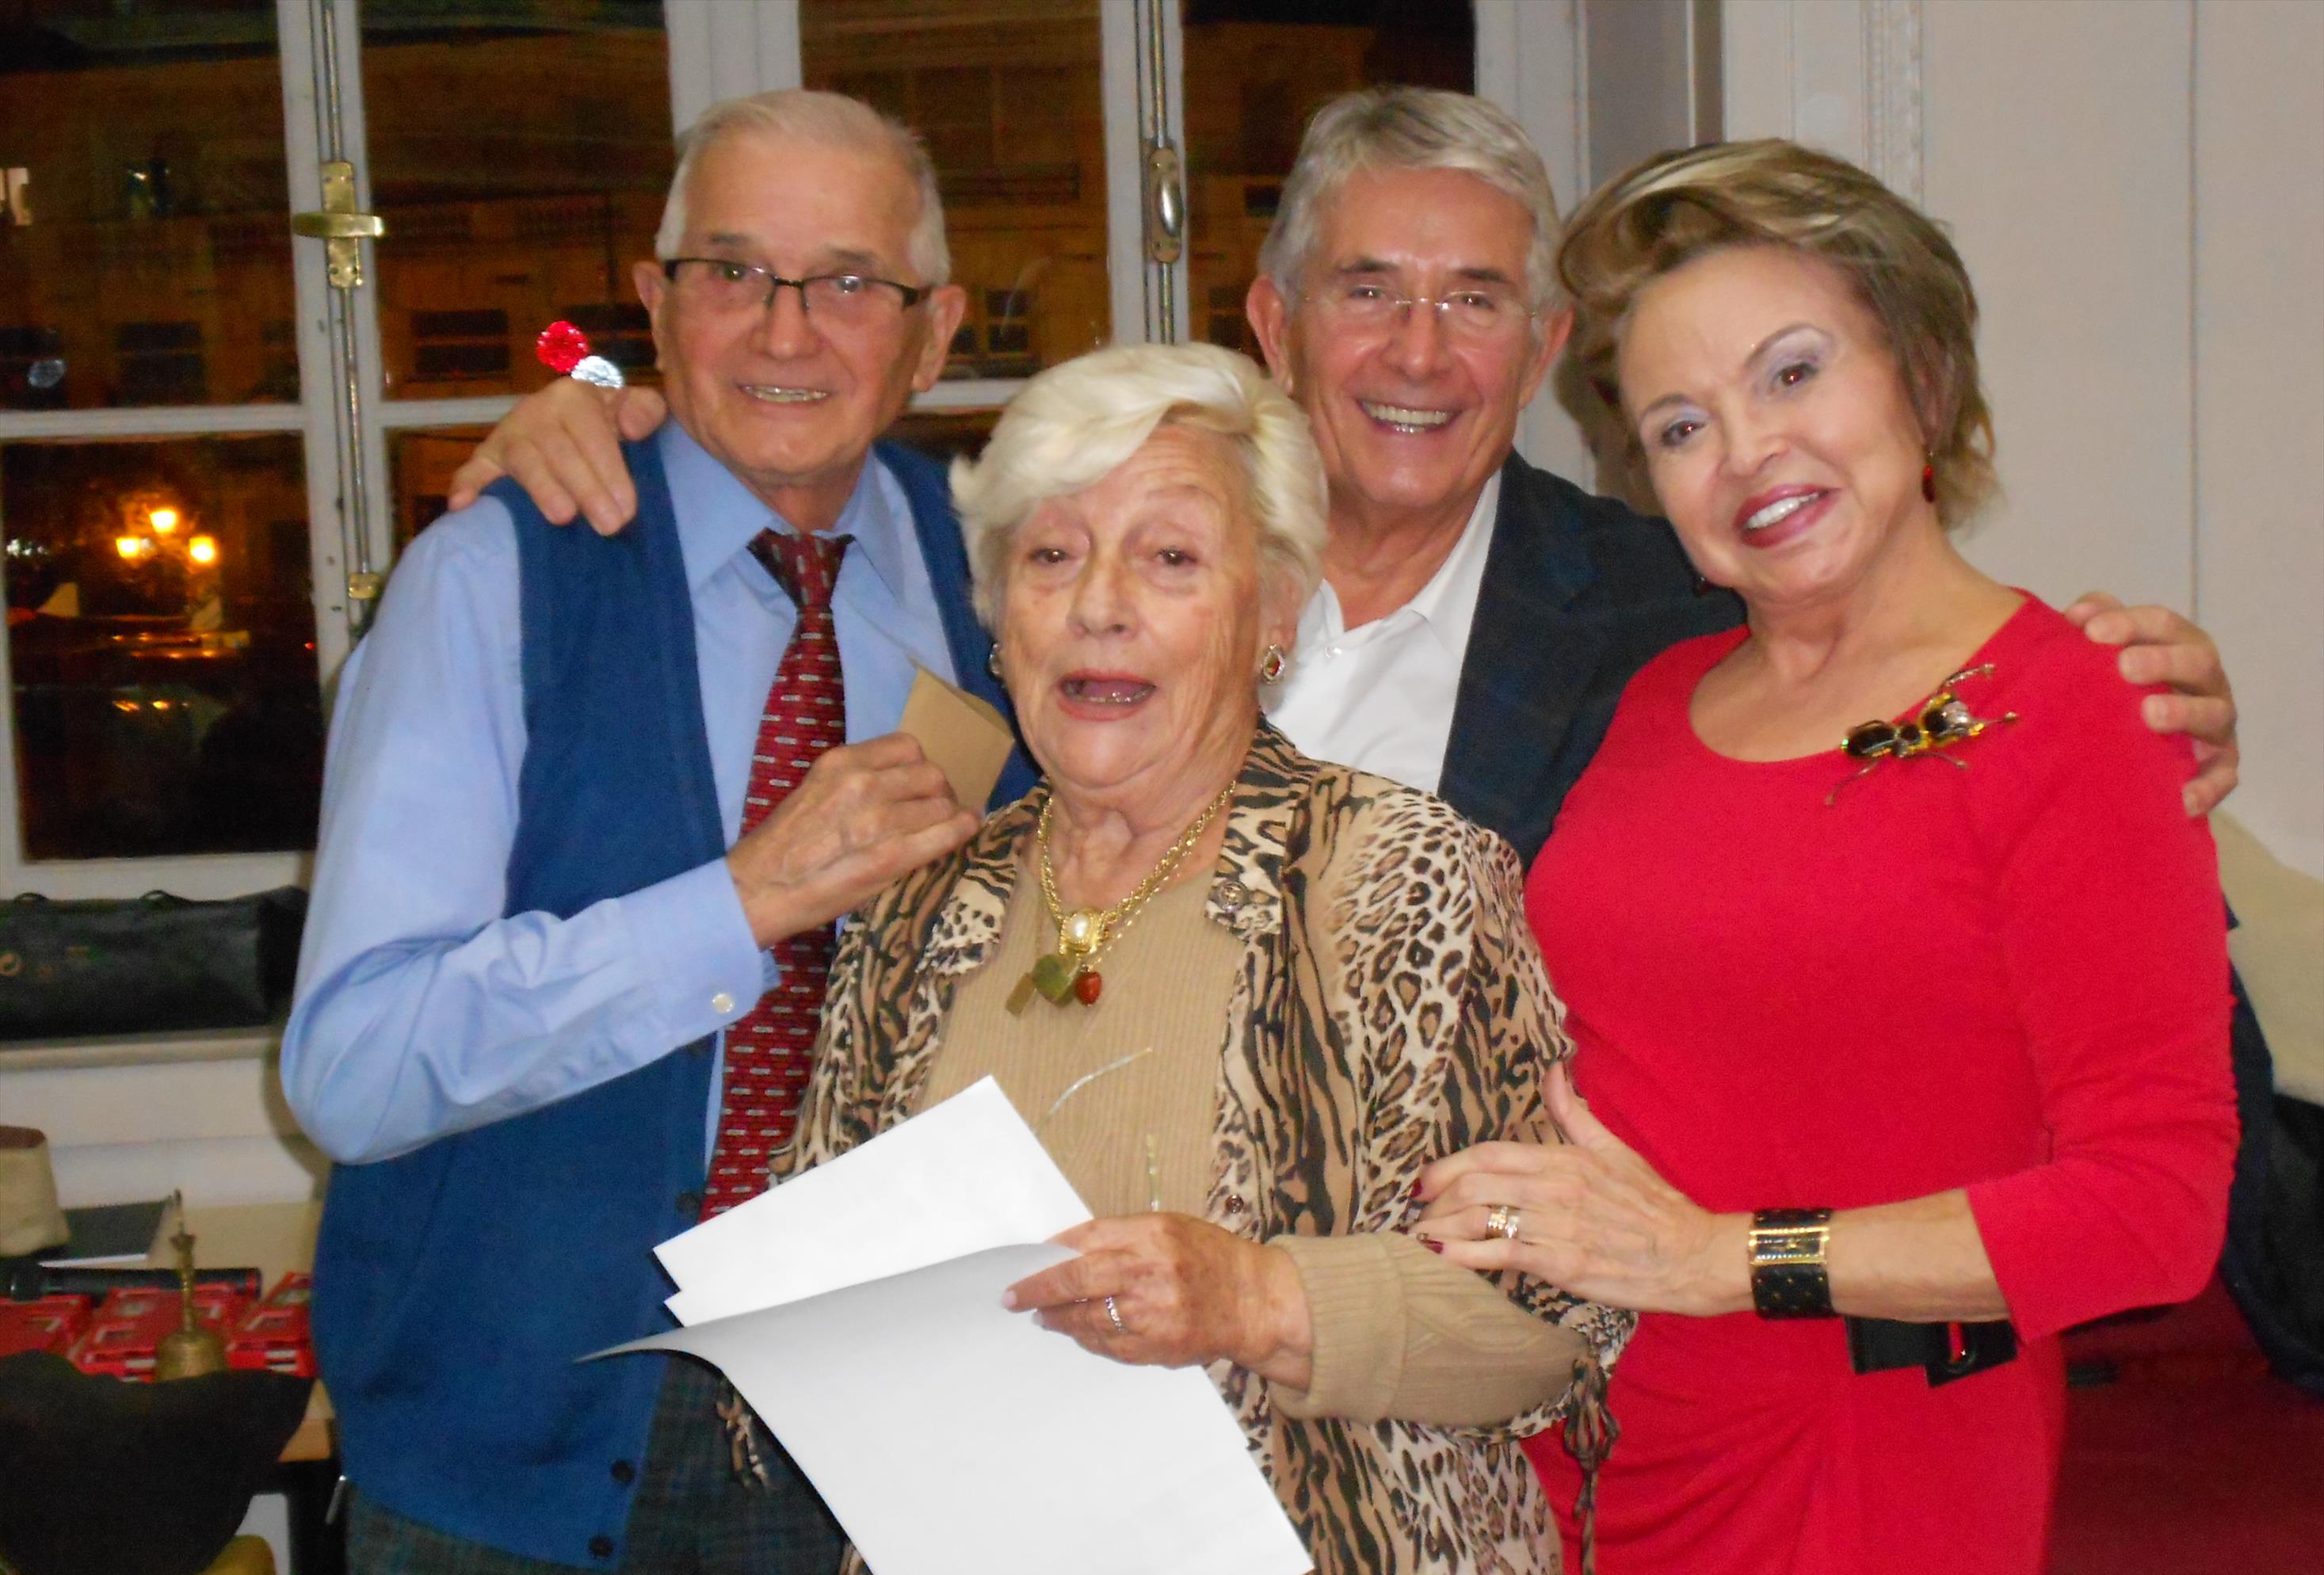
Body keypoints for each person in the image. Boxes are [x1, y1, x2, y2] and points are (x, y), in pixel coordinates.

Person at [446, 88, 2243, 853]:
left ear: (1544, 346)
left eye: (1477, 302)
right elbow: (808, 470)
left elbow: (1889, 699)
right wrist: (603, 410)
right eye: (1368, 291)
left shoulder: (1670, 609)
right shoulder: (1067, 558)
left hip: (1470, 1393)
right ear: (1273, 322)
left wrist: (2086, 707)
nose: (1417, 353)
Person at [1410, 139, 2241, 1575]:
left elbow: (2153, 1209)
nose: (1746, 453)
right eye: (1679, 426)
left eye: (1793, 372)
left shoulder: (2072, 711)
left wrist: (1720, 1259)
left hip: (1859, 1489)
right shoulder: (1660, 695)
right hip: (1576, 1467)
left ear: (1921, 376)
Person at [280, 90, 1027, 1575]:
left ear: (936, 331)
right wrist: (742, 899)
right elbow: (353, 1065)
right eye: (730, 272)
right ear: (654, 299)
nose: (783, 330)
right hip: (503, 1408)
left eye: (849, 282)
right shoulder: (494, 575)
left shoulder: (1002, 578)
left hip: (872, 1419)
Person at [790, 339, 1627, 1575]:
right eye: (1050, 558)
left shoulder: (1400, 880)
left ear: (1273, 613)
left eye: (1170, 558)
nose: (1098, 608)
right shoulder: (913, 911)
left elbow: (1551, 1315)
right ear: (997, 616)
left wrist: (1261, 1298)